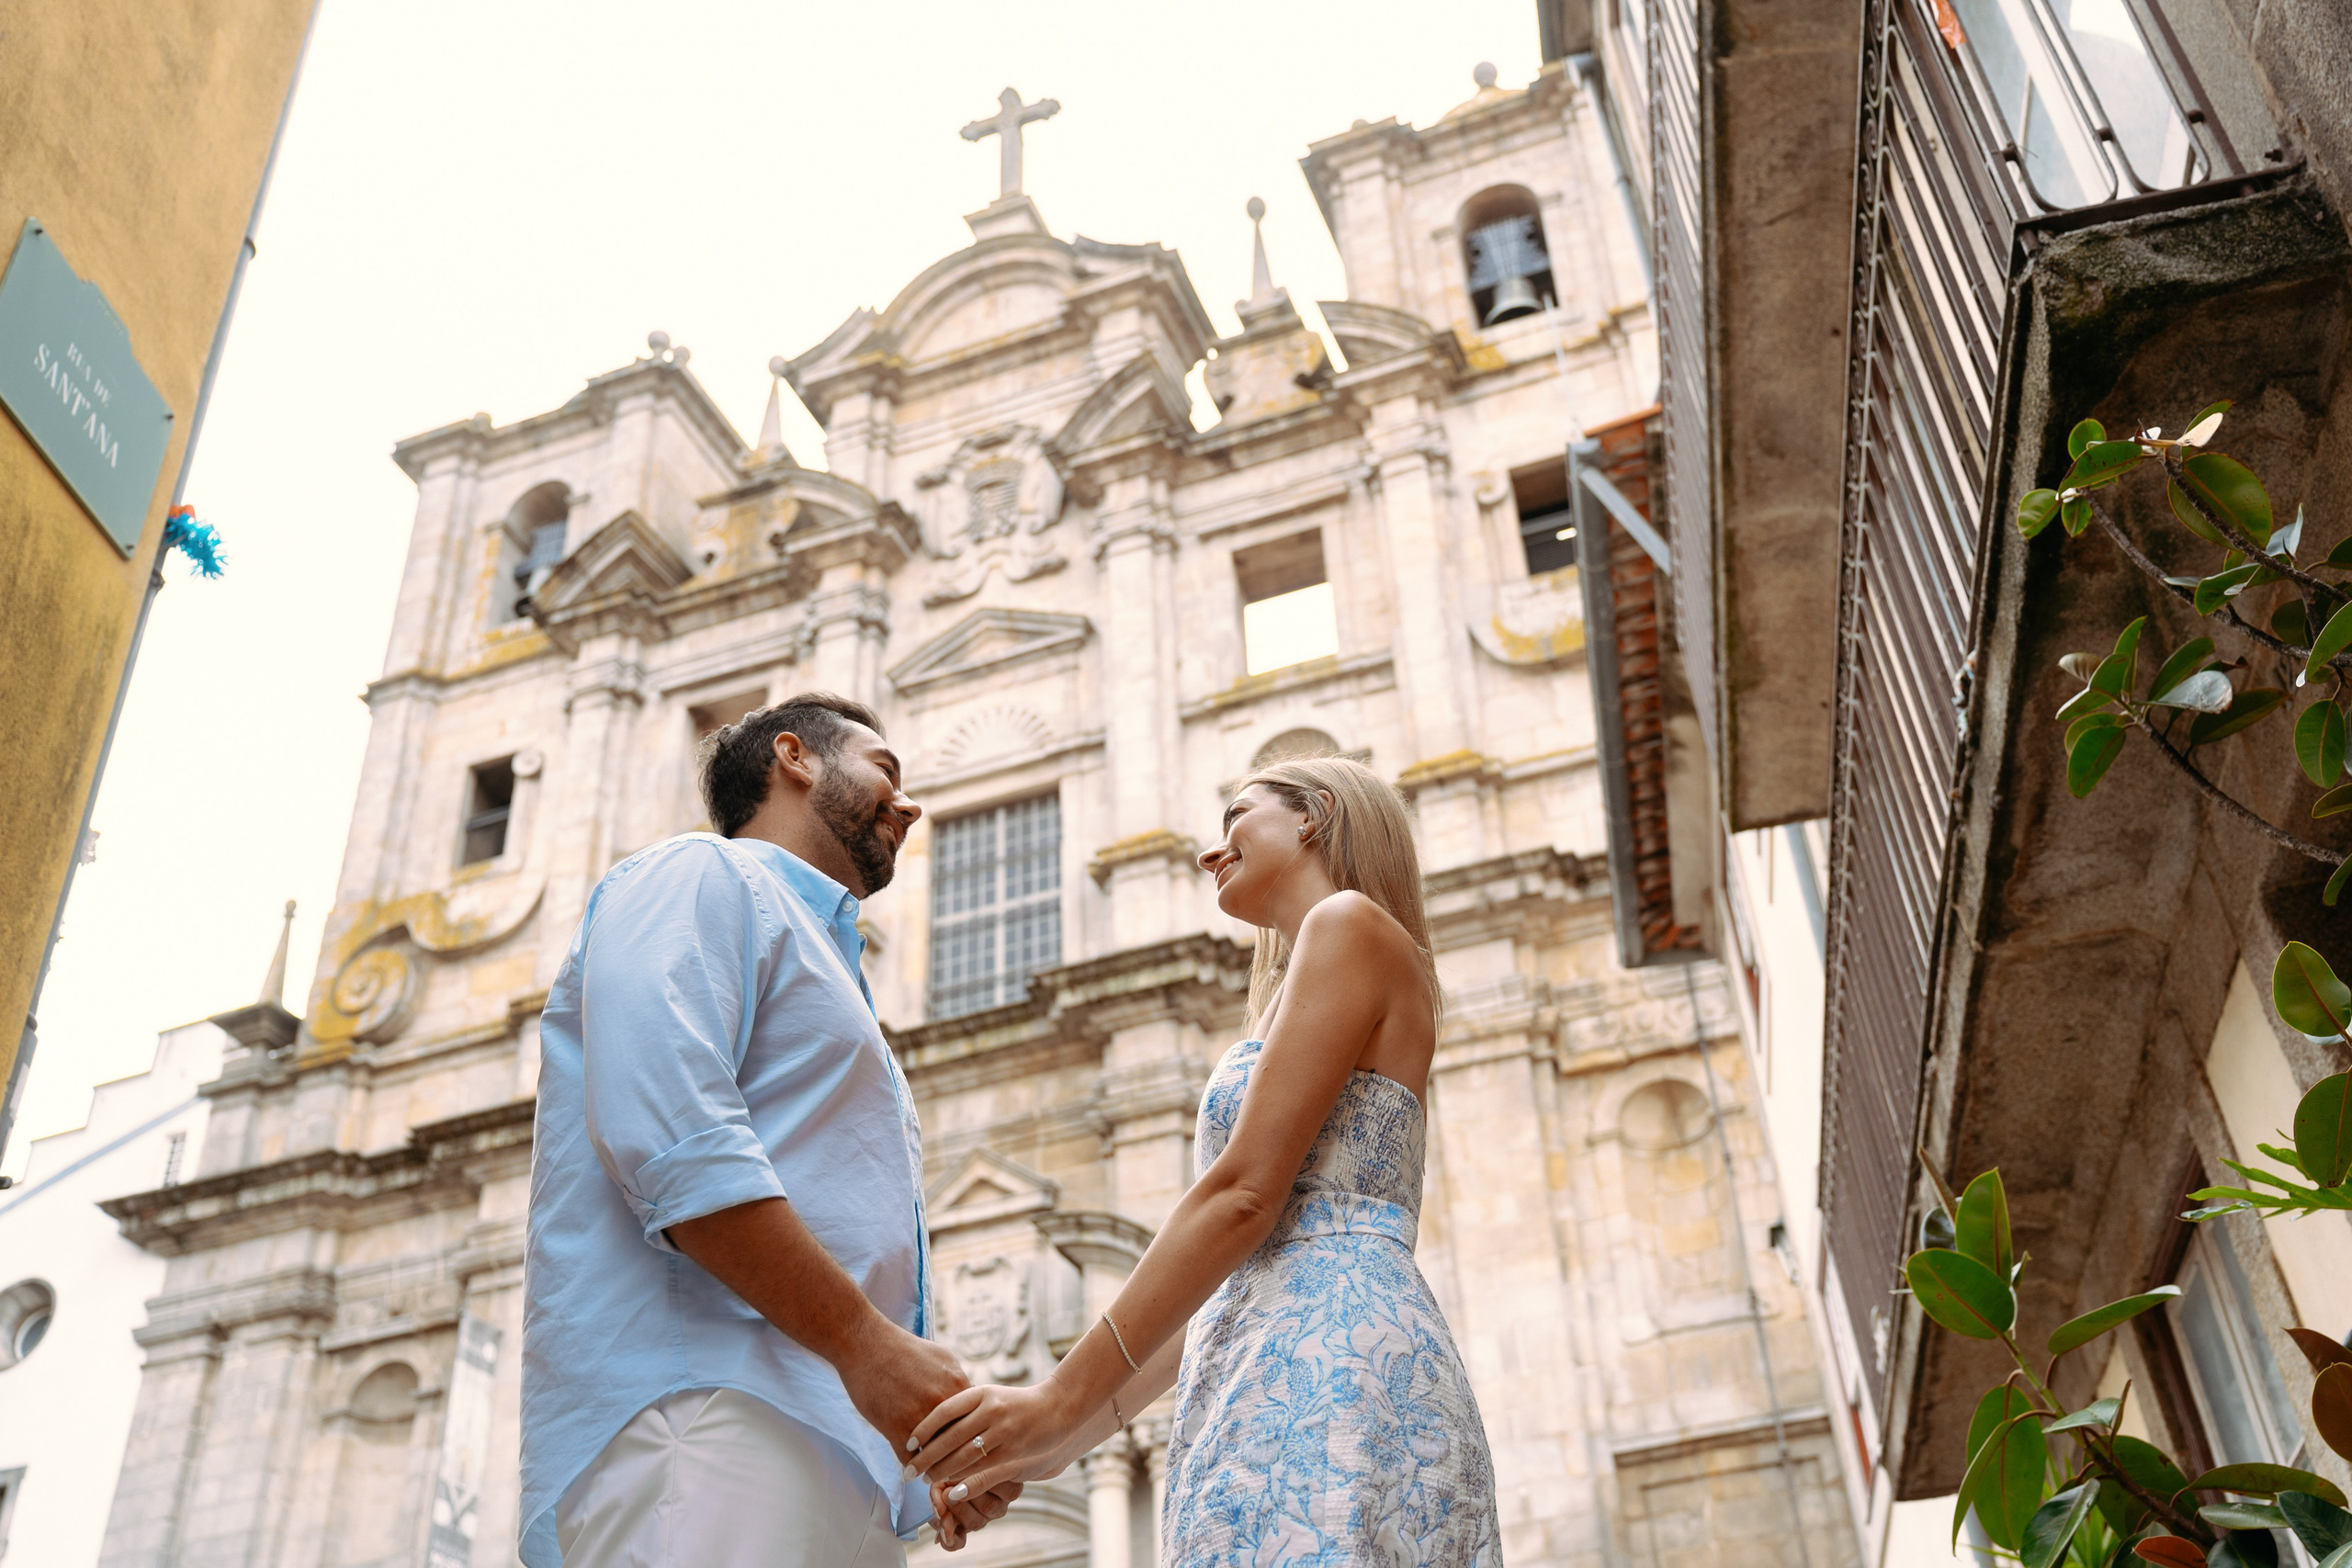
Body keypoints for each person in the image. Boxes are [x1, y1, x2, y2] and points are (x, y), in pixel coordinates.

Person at [905, 756, 1501, 1565]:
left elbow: (1243, 1198)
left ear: (1313, 815)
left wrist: (1055, 1399)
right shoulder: (1308, 967)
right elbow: (1228, 1273)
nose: (1208, 851)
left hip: (1330, 1363)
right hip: (1258, 1364)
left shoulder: (1348, 923)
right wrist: (1048, 1447)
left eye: (1235, 817)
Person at [518, 693, 1020, 1568]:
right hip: (706, 1412)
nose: (908, 804)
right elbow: (673, 1138)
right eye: (885, 770)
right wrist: (867, 1348)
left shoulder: (824, 952)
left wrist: (916, 1432)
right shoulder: (697, 875)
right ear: (795, 757)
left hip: (830, 1450)